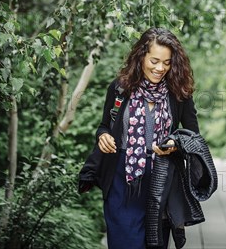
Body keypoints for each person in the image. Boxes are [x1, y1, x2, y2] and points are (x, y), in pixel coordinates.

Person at [79, 27, 202, 249]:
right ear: (141, 56)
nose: (160, 68)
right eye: (154, 60)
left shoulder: (179, 93)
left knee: (155, 244)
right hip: (123, 181)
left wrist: (175, 144)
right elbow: (104, 125)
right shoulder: (120, 88)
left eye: (166, 62)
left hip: (161, 181)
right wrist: (103, 135)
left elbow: (193, 136)